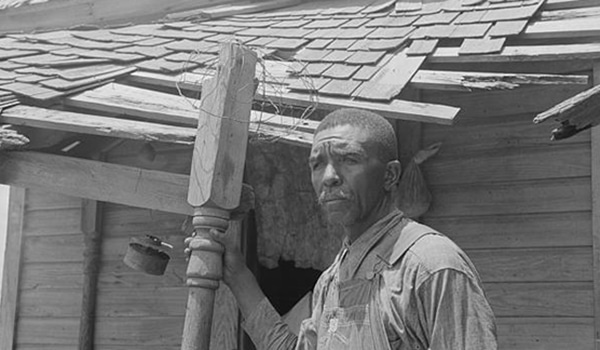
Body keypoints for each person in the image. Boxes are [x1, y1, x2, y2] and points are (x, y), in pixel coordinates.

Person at [192, 108, 497, 349]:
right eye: (316, 164)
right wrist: (238, 276)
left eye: (349, 159)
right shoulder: (333, 279)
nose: (329, 177)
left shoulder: (430, 267)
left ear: (390, 175)